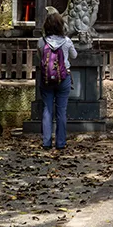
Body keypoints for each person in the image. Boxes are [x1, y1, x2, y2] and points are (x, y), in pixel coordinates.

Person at [38, 12, 77, 150]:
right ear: (61, 25)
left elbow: (40, 57)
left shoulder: (41, 41)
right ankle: (60, 143)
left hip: (46, 79)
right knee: (61, 111)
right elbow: (74, 55)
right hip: (63, 78)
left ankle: (46, 142)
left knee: (47, 109)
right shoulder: (67, 41)